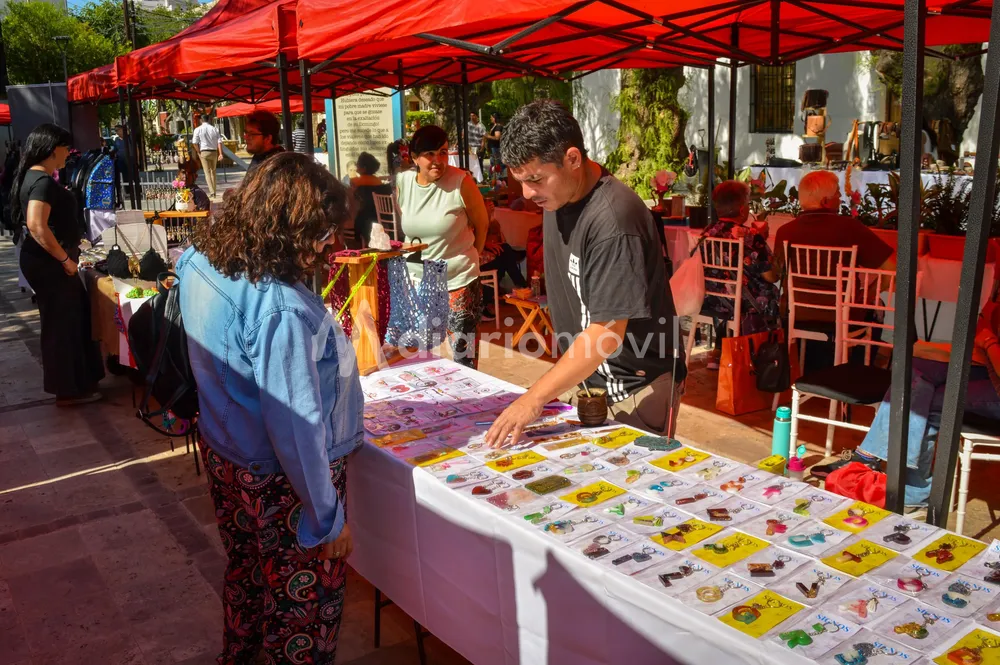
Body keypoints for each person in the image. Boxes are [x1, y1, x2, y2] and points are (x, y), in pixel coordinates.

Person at [176, 152, 362, 664]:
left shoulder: (200, 259)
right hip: (279, 481)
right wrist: (327, 518)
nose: (328, 247)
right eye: (322, 234)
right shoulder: (281, 307)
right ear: (289, 228)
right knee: (301, 611)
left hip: (226, 454)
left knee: (247, 576)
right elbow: (296, 428)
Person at [485, 100, 685, 447]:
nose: (527, 193)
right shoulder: (559, 194)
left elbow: (607, 332)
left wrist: (533, 398)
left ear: (573, 159)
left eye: (535, 179)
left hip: (636, 389)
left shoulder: (614, 220)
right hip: (591, 382)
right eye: (520, 181)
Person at [813, 302, 1000, 510]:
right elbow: (981, 329)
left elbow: (985, 338)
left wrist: (989, 341)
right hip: (989, 365)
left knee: (930, 401)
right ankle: (877, 461)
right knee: (918, 369)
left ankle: (905, 481)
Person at [12, 124, 104, 406]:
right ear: (54, 150)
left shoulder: (33, 176)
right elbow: (36, 225)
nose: (69, 153)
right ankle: (69, 390)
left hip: (47, 262)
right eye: (66, 148)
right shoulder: (41, 182)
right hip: (50, 264)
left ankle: (76, 383)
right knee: (63, 325)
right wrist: (64, 259)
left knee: (67, 320)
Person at [768, 170, 895, 368]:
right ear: (826, 201)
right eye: (838, 193)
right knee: (877, 307)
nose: (841, 197)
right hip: (842, 316)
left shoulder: (785, 231)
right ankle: (854, 371)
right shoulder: (851, 228)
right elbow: (891, 269)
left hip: (796, 314)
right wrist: (868, 295)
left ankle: (808, 366)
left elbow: (775, 274)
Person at [395, 125, 489, 367]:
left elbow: (482, 223)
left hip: (458, 281)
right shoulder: (403, 182)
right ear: (414, 158)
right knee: (416, 356)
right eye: (430, 154)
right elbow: (408, 224)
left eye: (443, 152)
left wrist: (472, 256)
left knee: (463, 357)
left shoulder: (461, 182)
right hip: (416, 282)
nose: (438, 160)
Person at [700, 180, 780, 369]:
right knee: (773, 294)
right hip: (745, 304)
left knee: (729, 291)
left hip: (713, 300)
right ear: (743, 209)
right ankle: (762, 356)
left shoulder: (707, 233)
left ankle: (720, 349)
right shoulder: (749, 235)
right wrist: (762, 241)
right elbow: (772, 276)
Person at [479, 199, 528, 321]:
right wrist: (485, 244)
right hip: (476, 260)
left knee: (504, 256)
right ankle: (523, 286)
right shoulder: (472, 220)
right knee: (505, 255)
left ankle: (521, 285)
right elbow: (476, 238)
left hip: (484, 256)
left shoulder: (489, 221)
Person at [350, 151, 392, 247]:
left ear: (364, 168)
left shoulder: (357, 183)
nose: (356, 167)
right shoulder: (378, 182)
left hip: (366, 220)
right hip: (380, 219)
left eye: (358, 164)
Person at [191, 114, 222, 198]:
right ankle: (214, 191)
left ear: (201, 120)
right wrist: (220, 153)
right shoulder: (214, 129)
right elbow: (219, 141)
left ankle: (212, 192)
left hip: (204, 151)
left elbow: (194, 142)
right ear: (209, 120)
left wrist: (198, 152)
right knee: (213, 172)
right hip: (214, 152)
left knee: (207, 172)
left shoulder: (198, 129)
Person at [468, 112, 487, 183]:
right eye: (471, 116)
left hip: (478, 147)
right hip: (471, 148)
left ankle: (480, 180)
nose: (472, 117)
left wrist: (482, 148)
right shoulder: (468, 125)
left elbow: (484, 138)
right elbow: (463, 135)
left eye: (473, 116)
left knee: (479, 163)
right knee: (471, 163)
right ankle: (472, 179)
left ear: (477, 116)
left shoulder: (481, 126)